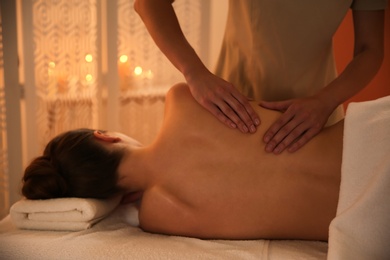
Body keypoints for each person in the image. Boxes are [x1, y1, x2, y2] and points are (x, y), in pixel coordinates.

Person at [22, 83, 343, 241]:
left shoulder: (160, 216)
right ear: (105, 137)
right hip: (367, 140)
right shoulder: (182, 100)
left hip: (359, 218)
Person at [133, 0, 385, 154]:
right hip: (235, 111)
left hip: (311, 122)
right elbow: (149, 3)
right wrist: (194, 72)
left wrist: (324, 102)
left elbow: (370, 50)